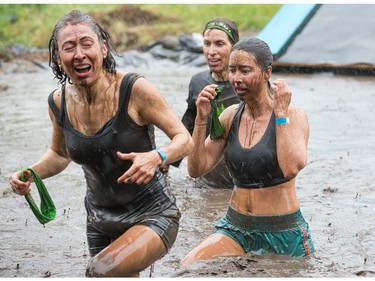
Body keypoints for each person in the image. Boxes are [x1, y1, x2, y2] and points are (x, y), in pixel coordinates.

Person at [8, 10, 193, 277]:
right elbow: (60, 154)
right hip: (99, 221)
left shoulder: (134, 90)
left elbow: (184, 140)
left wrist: (155, 157)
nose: (79, 54)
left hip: (152, 214)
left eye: (86, 43)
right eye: (69, 48)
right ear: (59, 59)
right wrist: (30, 173)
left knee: (100, 271)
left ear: (103, 48)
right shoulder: (58, 102)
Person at [181, 37, 315, 266]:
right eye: (232, 70)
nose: (235, 79)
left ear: (267, 72)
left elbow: (291, 168)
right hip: (236, 228)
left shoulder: (294, 115)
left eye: (244, 70)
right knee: (188, 267)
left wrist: (281, 114)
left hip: (282, 232)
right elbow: (196, 169)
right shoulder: (230, 115)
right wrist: (201, 119)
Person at [163, 18, 240, 189]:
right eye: (207, 43)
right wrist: (168, 159)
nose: (211, 51)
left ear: (234, 48)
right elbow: (189, 123)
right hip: (207, 181)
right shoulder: (198, 82)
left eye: (219, 44)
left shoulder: (246, 84)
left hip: (242, 184)